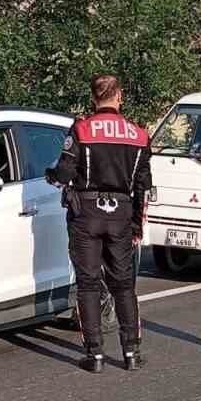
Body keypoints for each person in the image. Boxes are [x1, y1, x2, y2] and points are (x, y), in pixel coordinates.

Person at [46, 72, 151, 374]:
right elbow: (143, 185)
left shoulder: (81, 129)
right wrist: (137, 225)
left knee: (89, 284)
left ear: (94, 98)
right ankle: (131, 351)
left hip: (86, 214)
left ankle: (95, 356)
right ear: (120, 96)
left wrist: (51, 175)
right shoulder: (139, 135)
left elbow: (64, 174)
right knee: (123, 285)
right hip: (121, 213)